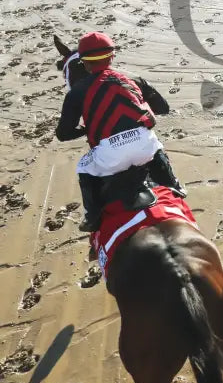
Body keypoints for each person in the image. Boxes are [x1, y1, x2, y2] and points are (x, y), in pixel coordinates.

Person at [55, 32, 184, 233]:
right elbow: (163, 108)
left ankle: (93, 216)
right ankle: (174, 185)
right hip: (144, 150)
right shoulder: (133, 79)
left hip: (111, 157)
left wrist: (86, 129)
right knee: (154, 144)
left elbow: (63, 134)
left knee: (83, 167)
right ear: (112, 57)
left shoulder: (77, 92)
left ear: (84, 63)